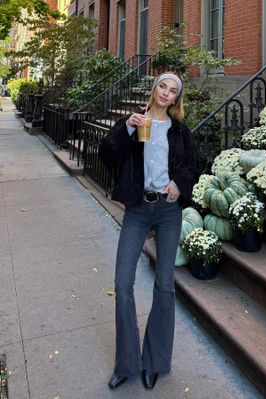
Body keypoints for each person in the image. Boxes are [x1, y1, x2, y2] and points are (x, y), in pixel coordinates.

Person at [98, 72, 198, 390]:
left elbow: (192, 167)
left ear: (175, 99)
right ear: (154, 89)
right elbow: (107, 155)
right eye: (162, 86)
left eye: (173, 91)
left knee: (164, 286)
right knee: (122, 284)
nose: (166, 93)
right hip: (138, 210)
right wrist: (126, 127)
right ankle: (127, 364)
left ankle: (154, 362)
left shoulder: (180, 131)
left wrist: (178, 185)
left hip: (168, 212)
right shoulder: (136, 122)